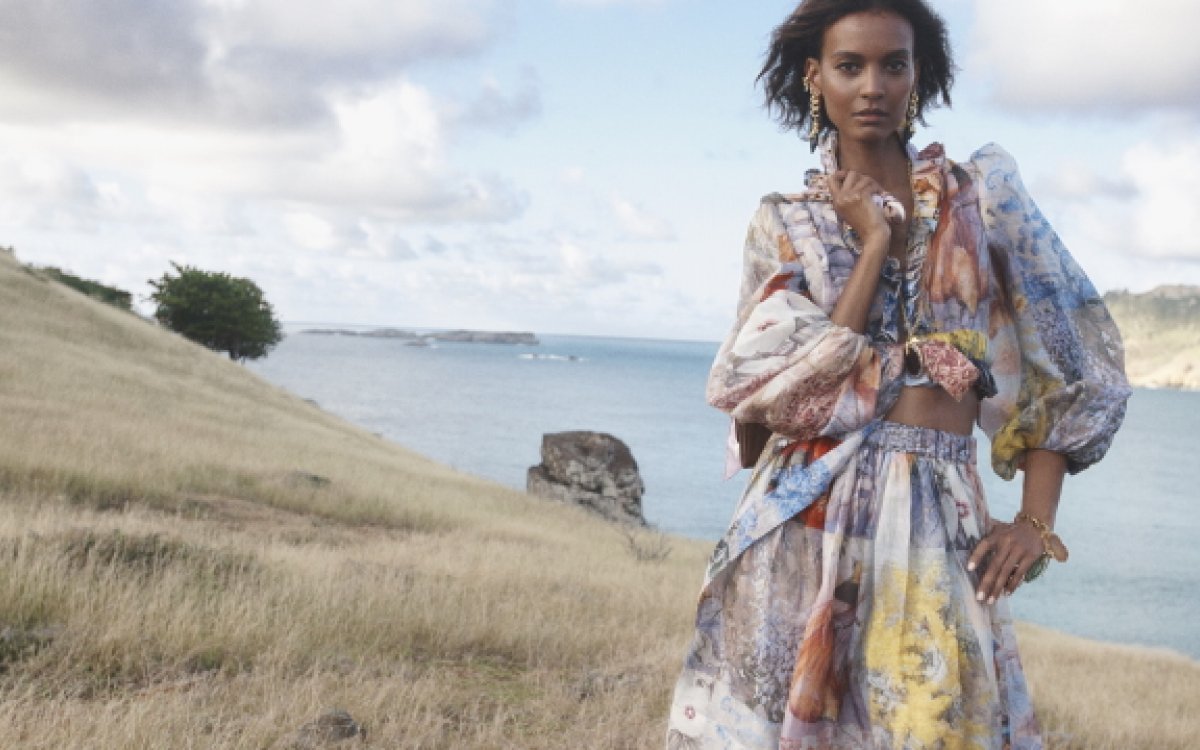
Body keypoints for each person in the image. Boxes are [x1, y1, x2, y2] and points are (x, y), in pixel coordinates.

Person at [666, 1, 1132, 748]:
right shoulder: (786, 221)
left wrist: (1036, 523)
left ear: (920, 74)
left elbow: (1072, 366)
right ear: (815, 77)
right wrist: (875, 241)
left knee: (939, 726)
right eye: (850, 66)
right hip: (805, 516)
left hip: (937, 508)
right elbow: (778, 397)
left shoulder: (979, 202)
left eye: (894, 63)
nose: (874, 84)